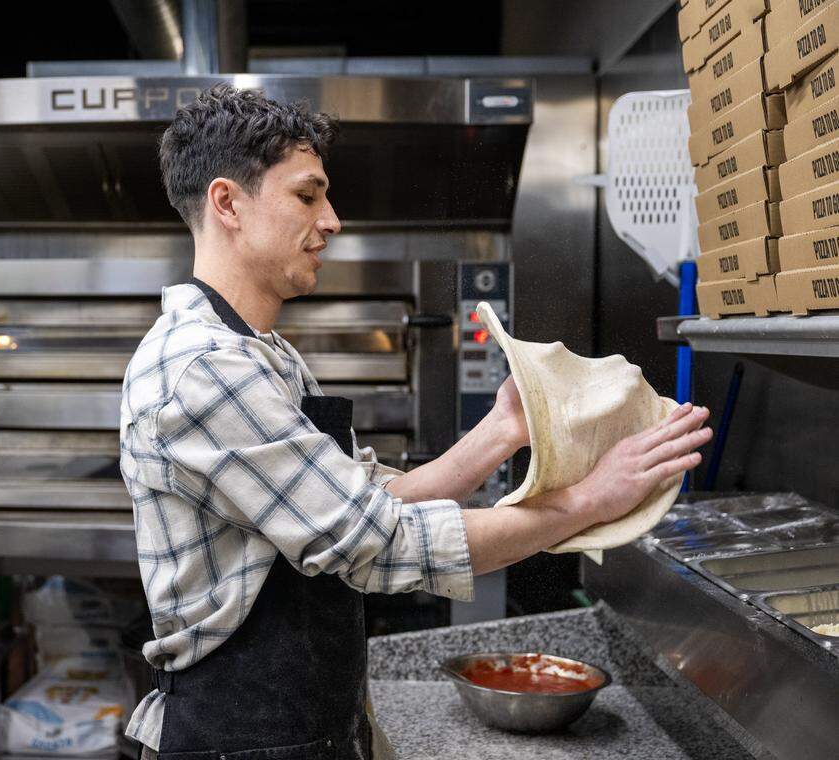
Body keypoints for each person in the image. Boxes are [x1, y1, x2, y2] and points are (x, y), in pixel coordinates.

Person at [119, 84, 711, 759]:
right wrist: (584, 502)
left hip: (298, 731)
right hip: (237, 740)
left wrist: (502, 430)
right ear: (228, 203)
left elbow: (363, 498)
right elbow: (373, 542)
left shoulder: (264, 356)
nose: (332, 220)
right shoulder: (205, 369)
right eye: (308, 196)